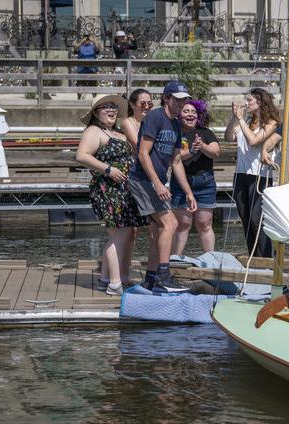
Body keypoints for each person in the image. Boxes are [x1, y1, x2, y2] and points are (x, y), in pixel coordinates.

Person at [76, 95, 149, 296]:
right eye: (106, 107)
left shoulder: (116, 132)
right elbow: (82, 156)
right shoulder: (93, 131)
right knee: (118, 236)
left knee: (126, 236)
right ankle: (115, 284)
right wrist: (108, 169)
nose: (112, 110)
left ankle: (107, 278)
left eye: (114, 107)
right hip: (108, 189)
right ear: (96, 112)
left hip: (126, 190)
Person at [129, 81, 197, 292]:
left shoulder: (176, 124)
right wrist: (157, 183)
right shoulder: (155, 117)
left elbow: (176, 161)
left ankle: (151, 278)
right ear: (166, 98)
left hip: (155, 181)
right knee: (170, 223)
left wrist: (188, 192)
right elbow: (142, 153)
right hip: (142, 179)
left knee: (160, 228)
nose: (180, 104)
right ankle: (163, 275)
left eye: (184, 100)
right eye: (176, 99)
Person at [224, 88, 280, 258]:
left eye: (250, 100)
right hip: (241, 174)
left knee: (257, 221)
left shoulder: (271, 123)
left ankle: (266, 257)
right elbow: (228, 137)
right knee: (246, 220)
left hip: (260, 175)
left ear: (261, 103)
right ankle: (253, 257)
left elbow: (254, 140)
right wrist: (235, 118)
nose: (246, 103)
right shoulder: (246, 121)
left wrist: (240, 119)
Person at [171, 100, 220, 256]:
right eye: (186, 111)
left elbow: (215, 152)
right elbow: (174, 159)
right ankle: (175, 260)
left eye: (193, 112)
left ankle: (209, 260)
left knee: (205, 223)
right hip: (181, 183)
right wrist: (191, 151)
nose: (190, 115)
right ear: (179, 114)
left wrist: (202, 146)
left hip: (205, 183)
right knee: (183, 224)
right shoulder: (174, 132)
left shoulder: (206, 132)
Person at [73, 34, 101, 100]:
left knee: (93, 86)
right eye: (86, 39)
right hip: (82, 70)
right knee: (80, 86)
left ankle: (95, 100)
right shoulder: (80, 46)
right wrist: (81, 42)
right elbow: (75, 51)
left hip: (92, 70)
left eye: (88, 39)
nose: (87, 40)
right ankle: (79, 100)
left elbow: (98, 51)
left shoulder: (93, 46)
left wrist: (94, 41)